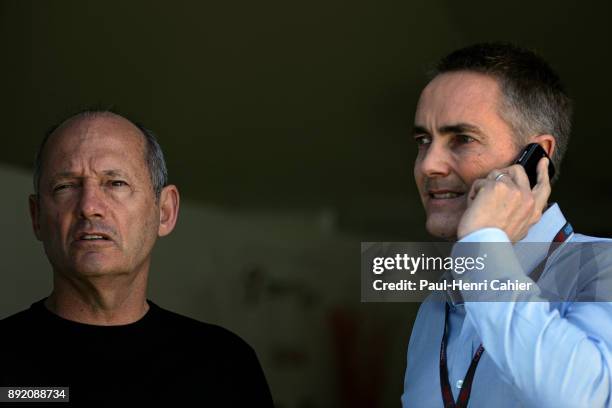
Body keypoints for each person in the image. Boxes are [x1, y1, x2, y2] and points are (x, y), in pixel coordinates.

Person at [0, 110, 274, 406]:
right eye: (65, 186)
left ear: (165, 211)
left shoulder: (226, 366)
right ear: (36, 216)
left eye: (115, 183)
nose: (89, 206)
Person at [401, 43, 612, 407]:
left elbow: (580, 397)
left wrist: (484, 241)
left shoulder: (603, 264)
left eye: (462, 139)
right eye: (424, 141)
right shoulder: (434, 307)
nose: (427, 165)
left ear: (534, 159)